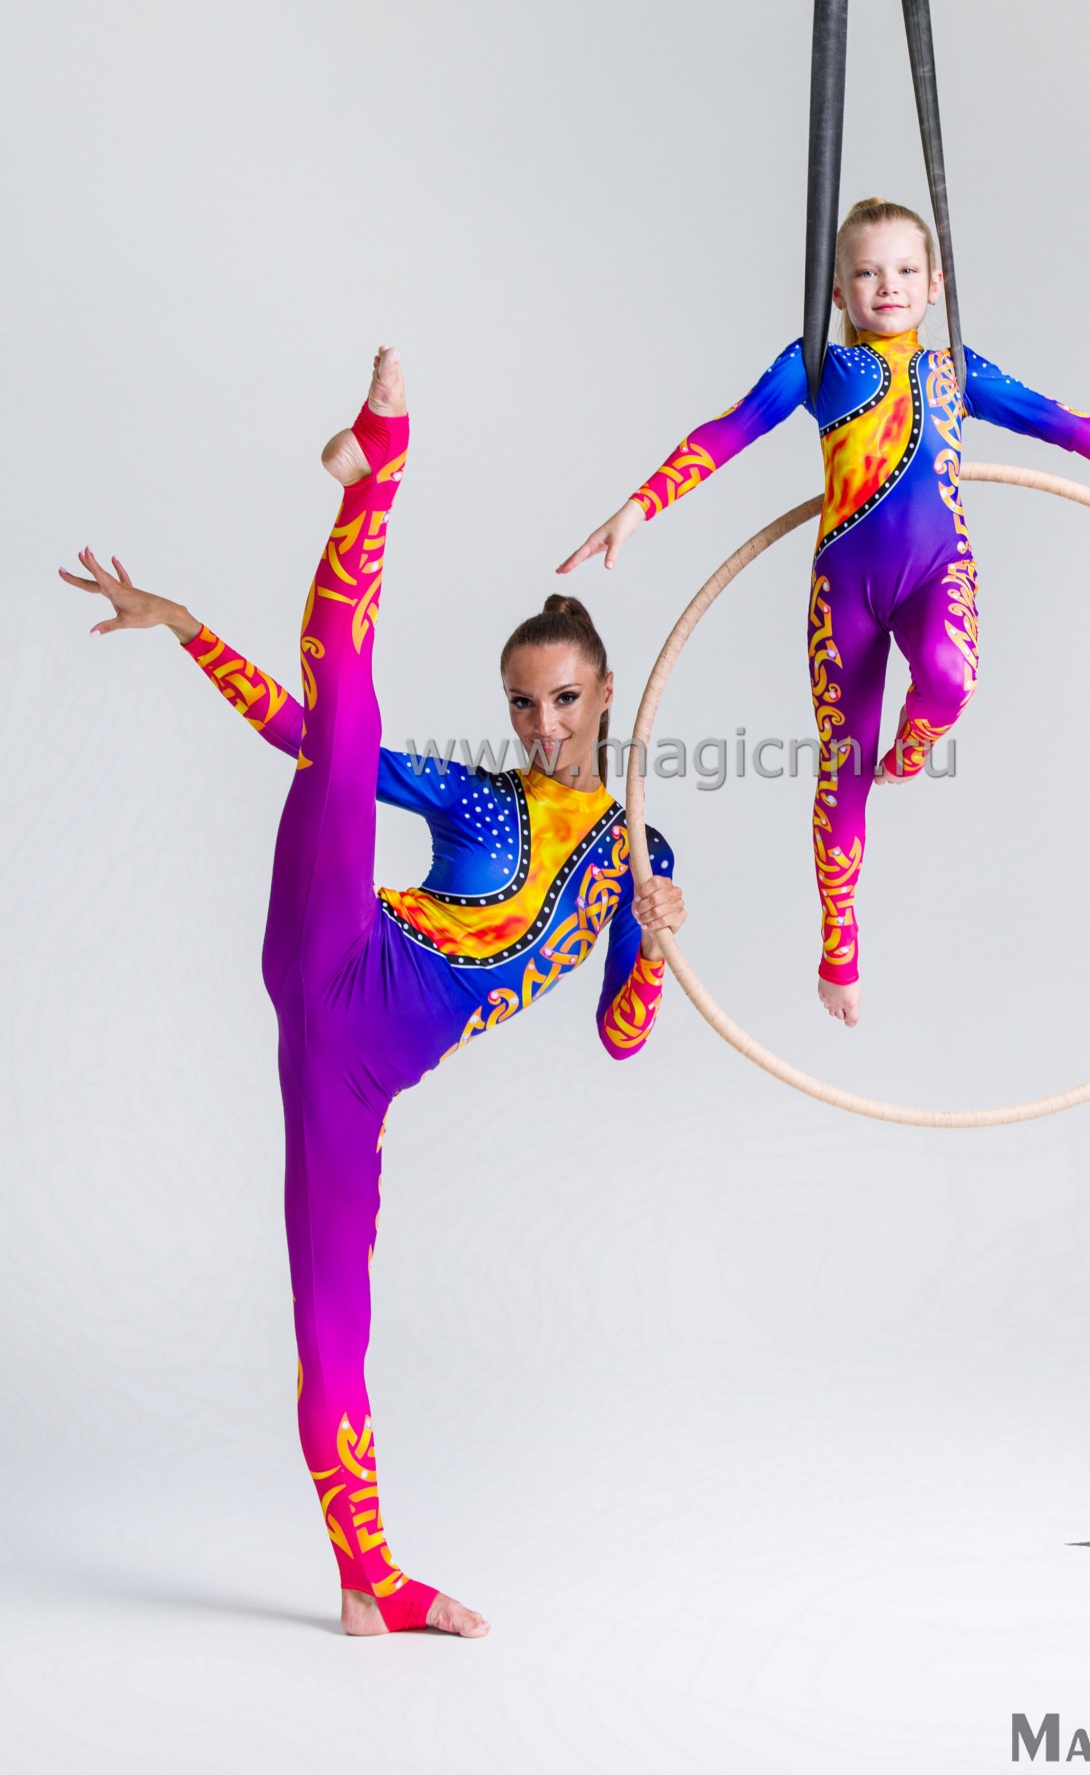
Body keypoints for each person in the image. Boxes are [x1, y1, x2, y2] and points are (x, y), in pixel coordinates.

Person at [60, 347, 685, 1637]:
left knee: (331, 1326)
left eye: (563, 699)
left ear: (605, 691)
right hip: (342, 945)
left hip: (353, 1070)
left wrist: (656, 942)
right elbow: (305, 734)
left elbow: (623, 1038)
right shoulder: (472, 792)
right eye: (521, 703)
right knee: (344, 716)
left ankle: (368, 1580)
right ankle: (378, 473)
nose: (542, 724)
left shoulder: (638, 855)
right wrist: (186, 626)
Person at [558, 197, 1090, 1029]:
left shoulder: (954, 371)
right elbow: (725, 432)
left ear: (935, 284)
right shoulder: (816, 366)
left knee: (949, 679)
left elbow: (1070, 427)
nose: (886, 285)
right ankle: (839, 951)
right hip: (844, 595)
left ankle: (915, 745)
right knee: (843, 768)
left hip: (936, 574)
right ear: (837, 290)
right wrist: (636, 509)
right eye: (866, 272)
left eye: (903, 270)